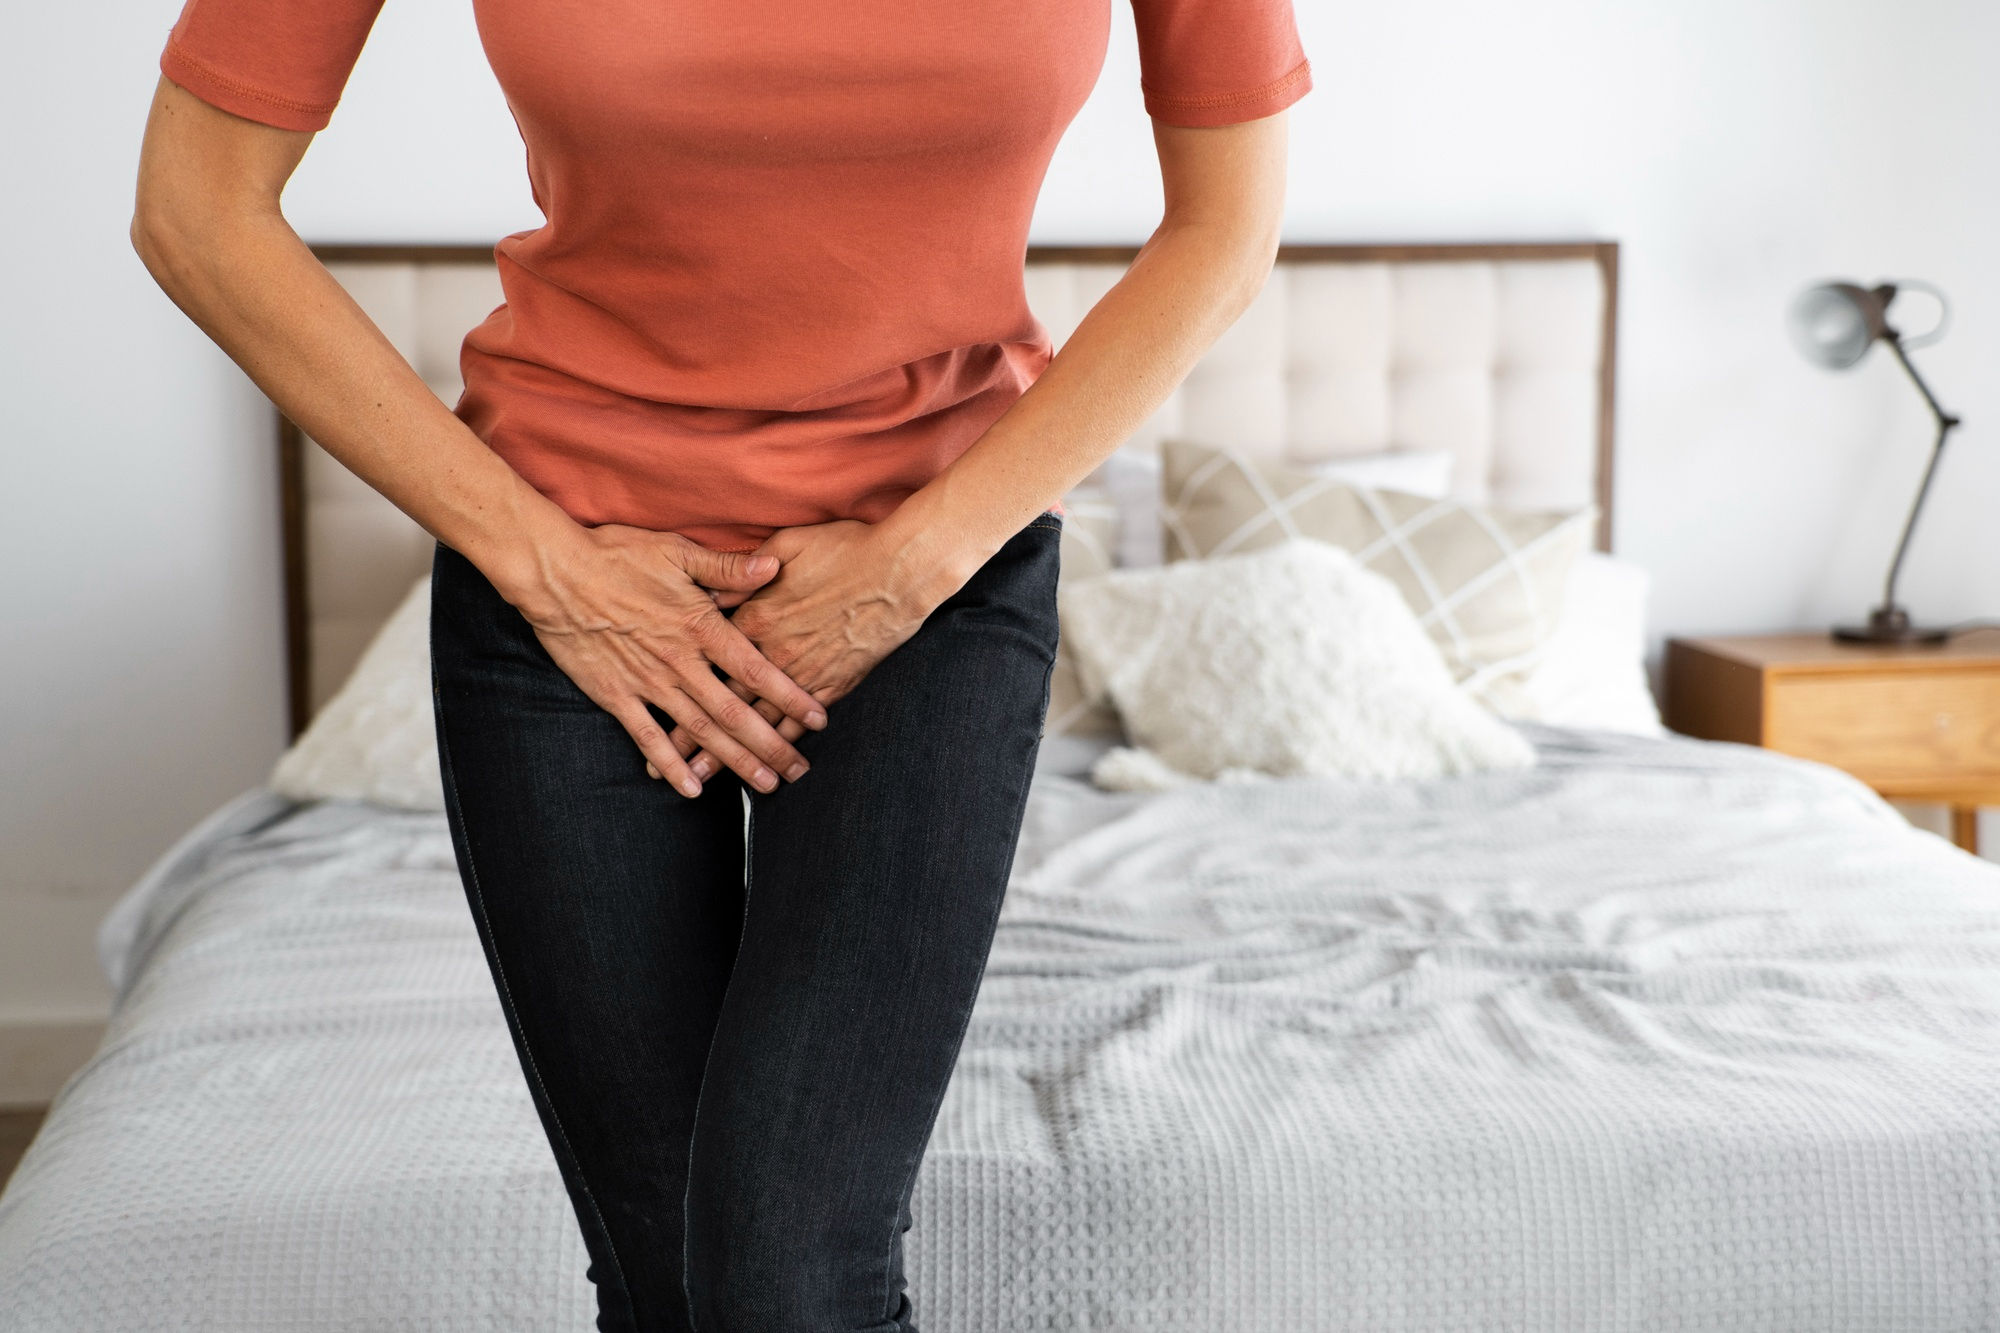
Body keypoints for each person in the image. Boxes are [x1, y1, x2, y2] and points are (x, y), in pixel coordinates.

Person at [131, 0, 1308, 1327]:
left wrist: (912, 568)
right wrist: (550, 568)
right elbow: (196, 208)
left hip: (933, 573)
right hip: (566, 589)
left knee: (789, 1265)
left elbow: (1226, 223)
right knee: (666, 1279)